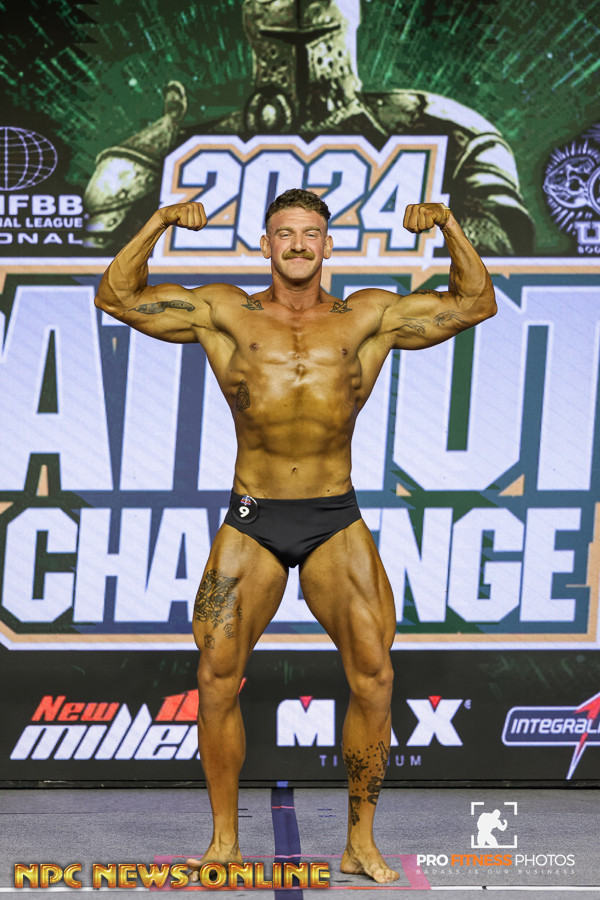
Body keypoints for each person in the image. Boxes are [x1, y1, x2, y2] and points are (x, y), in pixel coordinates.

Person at [95, 188, 497, 884]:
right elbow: (117, 296)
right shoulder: (225, 312)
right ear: (266, 244)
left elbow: (475, 302)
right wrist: (159, 220)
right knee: (216, 674)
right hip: (252, 519)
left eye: (311, 233)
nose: (299, 245)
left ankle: (360, 843)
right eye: (285, 233)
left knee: (375, 674)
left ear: (328, 245)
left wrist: (449, 224)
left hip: (332, 517)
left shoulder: (367, 316)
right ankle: (224, 843)